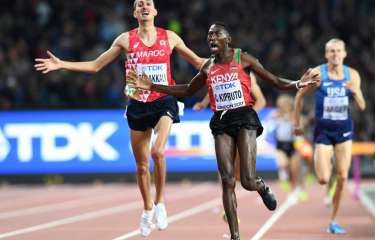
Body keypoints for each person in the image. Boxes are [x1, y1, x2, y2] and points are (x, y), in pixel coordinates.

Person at [127, 22, 319, 240]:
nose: (211, 38)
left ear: (227, 39)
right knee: (227, 180)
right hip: (221, 121)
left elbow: (274, 81)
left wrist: (297, 84)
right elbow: (187, 90)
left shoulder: (243, 59)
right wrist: (152, 86)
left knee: (246, 181)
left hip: (245, 117)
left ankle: (261, 187)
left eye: (216, 34)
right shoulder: (208, 67)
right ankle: (235, 236)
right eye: (208, 35)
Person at [34, 0, 205, 237]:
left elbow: (198, 62)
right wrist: (61, 64)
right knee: (142, 166)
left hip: (165, 99)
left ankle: (160, 203)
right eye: (139, 4)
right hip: (137, 104)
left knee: (158, 152)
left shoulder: (170, 37)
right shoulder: (125, 40)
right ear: (135, 12)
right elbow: (96, 66)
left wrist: (230, 64)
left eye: (148, 4)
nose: (144, 6)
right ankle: (147, 209)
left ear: (155, 11)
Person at [293, 38, 366, 234]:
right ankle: (328, 166)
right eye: (331, 51)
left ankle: (333, 220)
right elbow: (299, 95)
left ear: (344, 54)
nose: (335, 54)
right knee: (324, 179)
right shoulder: (318, 73)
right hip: (323, 132)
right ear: (326, 54)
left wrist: (355, 91)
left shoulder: (353, 75)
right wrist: (296, 123)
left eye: (338, 51)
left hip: (344, 131)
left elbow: (361, 105)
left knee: (342, 176)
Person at [193, 72, 266, 223]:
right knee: (226, 175)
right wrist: (203, 103)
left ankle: (260, 187)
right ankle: (231, 211)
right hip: (226, 127)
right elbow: (215, 89)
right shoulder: (220, 74)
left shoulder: (247, 75)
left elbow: (261, 101)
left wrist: (247, 119)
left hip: (243, 128)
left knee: (242, 177)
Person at [268, 94, 308, 204]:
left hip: (293, 145)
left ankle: (298, 188)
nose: (281, 107)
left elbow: (301, 129)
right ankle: (284, 177)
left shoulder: (294, 116)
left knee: (294, 170)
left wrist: (297, 124)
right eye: (279, 105)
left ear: (288, 105)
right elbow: (270, 128)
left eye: (283, 105)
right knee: (283, 164)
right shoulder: (275, 115)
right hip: (280, 145)